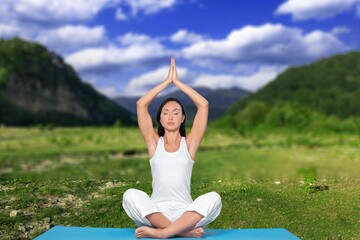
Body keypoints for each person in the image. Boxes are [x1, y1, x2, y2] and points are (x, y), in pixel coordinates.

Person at [122, 57, 222, 239]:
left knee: (215, 198)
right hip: (155, 213)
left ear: (183, 118)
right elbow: (141, 104)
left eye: (176, 113)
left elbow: (203, 105)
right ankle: (182, 233)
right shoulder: (154, 143)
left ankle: (164, 233)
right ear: (159, 119)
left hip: (187, 214)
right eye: (165, 113)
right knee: (130, 195)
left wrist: (178, 83)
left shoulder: (189, 144)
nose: (170, 117)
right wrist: (166, 82)